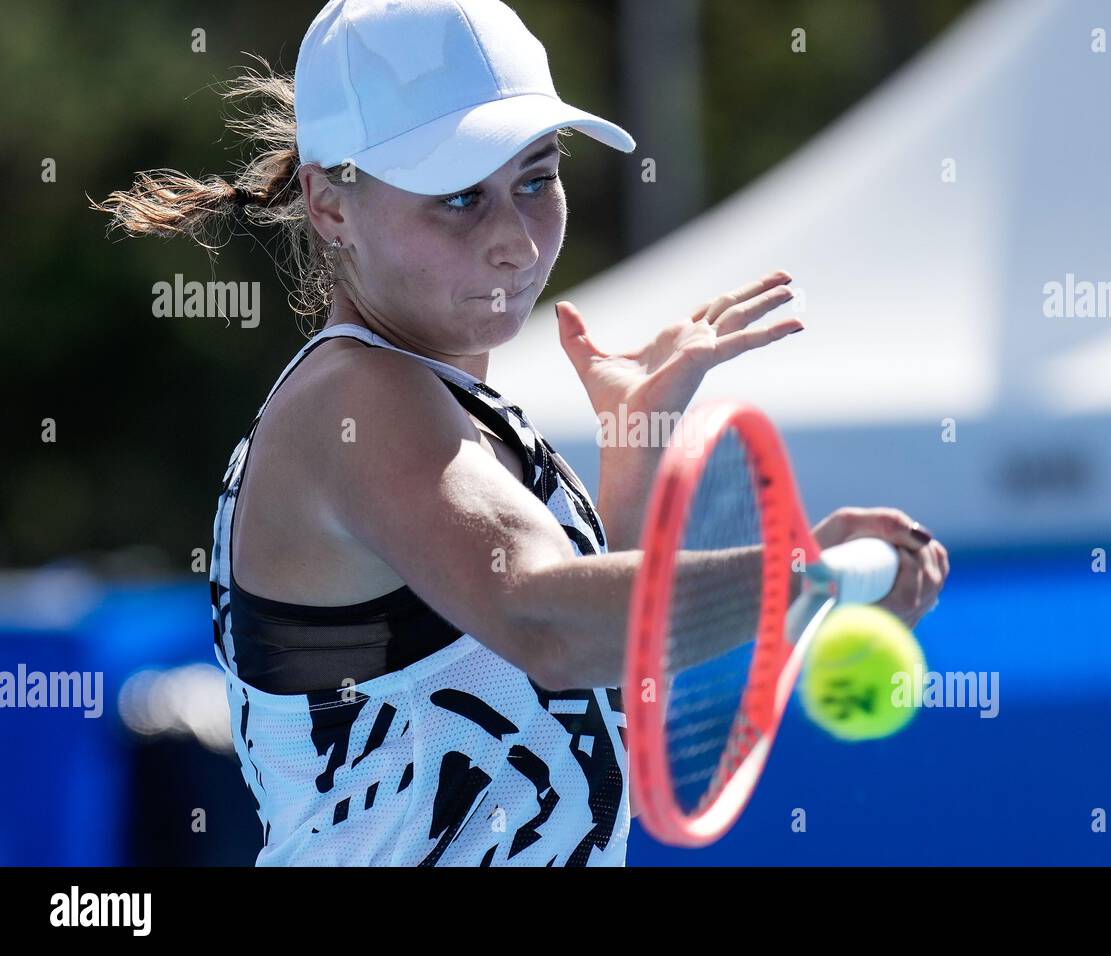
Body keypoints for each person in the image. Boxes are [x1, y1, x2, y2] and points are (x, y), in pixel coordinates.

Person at [93, 0, 947, 866]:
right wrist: (803, 578)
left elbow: (596, 702)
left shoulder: (458, 418)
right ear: (330, 206)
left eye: (537, 179)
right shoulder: (352, 400)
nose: (513, 239)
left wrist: (633, 455)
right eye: (460, 196)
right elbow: (548, 629)